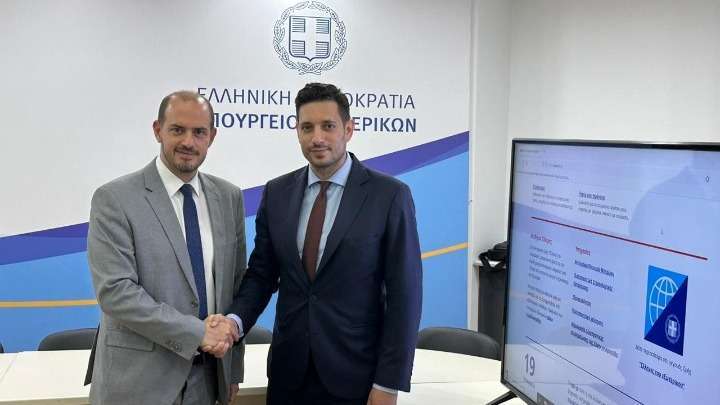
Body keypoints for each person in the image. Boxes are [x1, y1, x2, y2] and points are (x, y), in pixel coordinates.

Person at [212, 82, 423, 404]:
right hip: (288, 375)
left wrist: (388, 383)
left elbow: (404, 297)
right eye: (307, 127)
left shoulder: (389, 196)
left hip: (357, 378)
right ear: (297, 131)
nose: (317, 138)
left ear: (348, 129)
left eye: (328, 126)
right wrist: (234, 321)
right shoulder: (277, 193)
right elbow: (261, 275)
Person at [86, 91, 246, 405]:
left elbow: (236, 285)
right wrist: (197, 332)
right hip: (138, 383)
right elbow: (116, 292)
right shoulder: (115, 198)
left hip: (208, 381)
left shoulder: (229, 197)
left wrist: (232, 371)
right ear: (158, 130)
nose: (188, 141)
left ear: (212, 137)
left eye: (199, 132)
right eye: (177, 130)